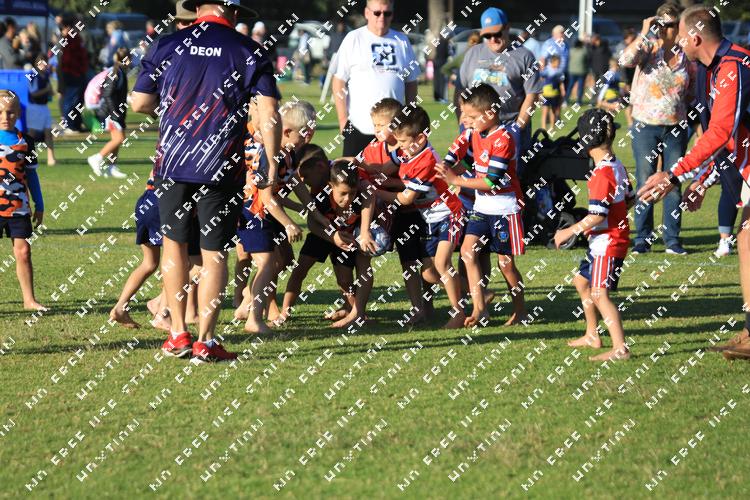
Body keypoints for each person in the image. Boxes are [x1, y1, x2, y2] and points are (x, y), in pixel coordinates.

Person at [131, 0, 285, 362]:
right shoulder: (248, 49)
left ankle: (177, 334)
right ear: (234, 13)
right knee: (214, 253)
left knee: (174, 246)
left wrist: (174, 113)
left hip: (173, 162)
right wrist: (272, 164)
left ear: (197, 8)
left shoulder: (167, 44)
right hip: (220, 164)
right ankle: (206, 340)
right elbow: (269, 111)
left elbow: (139, 103)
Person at [637, 6, 750, 360]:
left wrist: (674, 174)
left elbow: (721, 131)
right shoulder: (709, 69)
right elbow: (721, 137)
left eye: (682, 36)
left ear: (695, 38)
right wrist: (701, 180)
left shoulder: (734, 66)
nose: (677, 42)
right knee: (746, 240)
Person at [437, 83, 528, 327]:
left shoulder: (504, 139)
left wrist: (456, 180)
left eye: (471, 116)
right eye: (463, 114)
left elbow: (491, 181)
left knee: (506, 265)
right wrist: (446, 169)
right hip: (481, 207)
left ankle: (520, 311)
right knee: (468, 253)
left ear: (490, 113)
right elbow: (467, 159)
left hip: (505, 209)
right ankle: (479, 309)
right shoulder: (476, 134)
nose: (465, 120)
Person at [554, 109, 634, 362]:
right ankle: (592, 334)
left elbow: (598, 215)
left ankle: (620, 348)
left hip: (608, 243)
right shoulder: (617, 165)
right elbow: (628, 199)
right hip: (603, 240)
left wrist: (569, 230)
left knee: (599, 294)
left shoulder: (601, 174)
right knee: (581, 282)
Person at [377, 105, 467, 329]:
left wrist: (376, 192)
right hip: (430, 219)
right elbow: (384, 167)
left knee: (442, 263)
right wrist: (357, 166)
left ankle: (459, 314)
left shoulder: (427, 160)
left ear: (420, 138)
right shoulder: (407, 151)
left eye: (403, 142)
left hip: (449, 214)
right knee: (429, 274)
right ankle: (478, 292)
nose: (400, 147)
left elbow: (407, 198)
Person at [620, 2, 694, 256]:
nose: (664, 29)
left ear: (679, 26)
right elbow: (625, 60)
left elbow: (693, 89)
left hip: (676, 126)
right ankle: (643, 239)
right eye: (660, 24)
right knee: (645, 181)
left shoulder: (686, 53)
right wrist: (644, 31)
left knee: (673, 182)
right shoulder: (649, 48)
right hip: (646, 126)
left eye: (670, 25)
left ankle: (672, 239)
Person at [279, 157, 377, 329]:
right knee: (300, 270)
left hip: (345, 238)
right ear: (331, 186)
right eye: (343, 193)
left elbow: (368, 192)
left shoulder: (361, 197)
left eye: (352, 193)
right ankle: (284, 313)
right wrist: (332, 237)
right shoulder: (321, 197)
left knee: (345, 280)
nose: (348, 198)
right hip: (322, 235)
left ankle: (354, 312)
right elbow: (312, 224)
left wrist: (362, 232)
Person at [459, 7, 542, 178]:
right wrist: (463, 118)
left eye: (497, 33)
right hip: (475, 128)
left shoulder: (524, 56)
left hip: (508, 126)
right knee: (470, 177)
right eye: (488, 35)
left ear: (507, 28)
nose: (493, 39)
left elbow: (532, 96)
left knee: (508, 179)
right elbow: (461, 90)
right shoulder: (473, 54)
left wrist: (517, 128)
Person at [333, 0, 419, 157]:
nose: (382, 17)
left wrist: (410, 116)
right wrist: (343, 120)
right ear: (367, 13)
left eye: (387, 13)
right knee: (353, 171)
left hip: (395, 131)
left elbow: (411, 82)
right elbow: (338, 81)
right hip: (358, 127)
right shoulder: (354, 38)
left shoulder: (402, 41)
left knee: (394, 172)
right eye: (377, 13)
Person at [0, 90, 46, 311]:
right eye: (0, 112)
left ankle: (29, 300)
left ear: (18, 113)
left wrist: (40, 204)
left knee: (24, 252)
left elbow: (32, 176)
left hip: (18, 208)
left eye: (10, 112)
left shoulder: (26, 141)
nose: (5, 117)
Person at [88, 47, 130, 179]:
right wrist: (114, 113)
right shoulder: (115, 73)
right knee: (119, 139)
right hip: (111, 113)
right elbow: (108, 95)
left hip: (117, 112)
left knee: (117, 139)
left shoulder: (120, 72)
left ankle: (112, 168)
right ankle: (96, 158)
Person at [58, 16, 89, 133]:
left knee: (78, 101)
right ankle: (70, 125)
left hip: (77, 73)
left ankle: (76, 124)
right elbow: (67, 59)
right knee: (71, 101)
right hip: (72, 74)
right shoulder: (70, 39)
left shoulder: (75, 38)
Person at [26, 54, 56, 166]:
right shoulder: (33, 76)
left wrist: (50, 91)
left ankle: (51, 159)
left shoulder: (46, 75)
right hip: (34, 107)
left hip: (44, 107)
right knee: (32, 134)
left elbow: (50, 91)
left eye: (46, 62)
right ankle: (26, 157)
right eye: (42, 62)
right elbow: (33, 94)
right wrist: (46, 90)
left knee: (48, 132)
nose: (45, 64)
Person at [540, 55, 565, 130]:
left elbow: (561, 82)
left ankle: (552, 127)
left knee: (553, 111)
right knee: (545, 111)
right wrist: (540, 91)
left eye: (559, 63)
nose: (558, 64)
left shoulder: (559, 71)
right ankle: (543, 127)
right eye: (557, 62)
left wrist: (563, 90)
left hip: (554, 94)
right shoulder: (547, 70)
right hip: (546, 94)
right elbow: (541, 79)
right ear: (552, 62)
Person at [567, 39, 588, 105]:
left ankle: (565, 100)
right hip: (581, 71)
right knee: (580, 87)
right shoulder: (584, 51)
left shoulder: (571, 51)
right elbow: (587, 59)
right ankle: (579, 101)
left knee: (570, 86)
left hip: (572, 71)